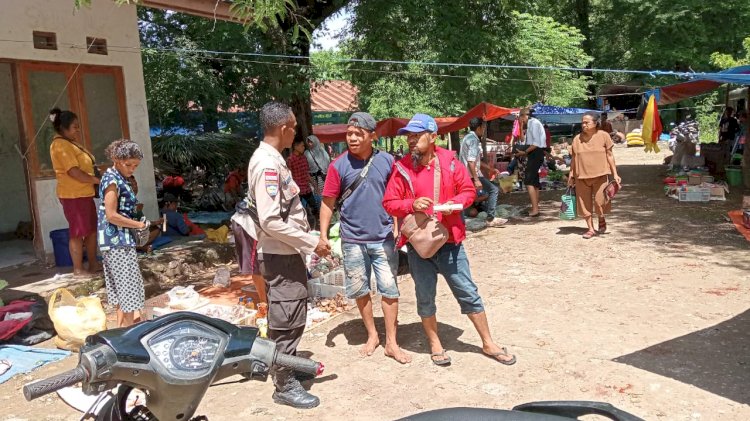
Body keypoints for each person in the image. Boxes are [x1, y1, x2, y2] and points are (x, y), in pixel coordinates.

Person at [383, 113, 516, 367]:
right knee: (425, 296)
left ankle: (488, 343)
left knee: (467, 292)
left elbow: (467, 191)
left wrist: (455, 205)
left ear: (433, 137)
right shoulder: (402, 168)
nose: (411, 140)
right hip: (419, 247)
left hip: (450, 241)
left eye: (416, 135)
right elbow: (389, 202)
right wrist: (412, 204)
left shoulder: (451, 162)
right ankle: (435, 344)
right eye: (409, 136)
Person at [248, 102, 330, 409]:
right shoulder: (268, 164)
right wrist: (311, 242)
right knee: (286, 317)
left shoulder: (274, 160)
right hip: (280, 253)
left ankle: (289, 366)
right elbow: (270, 220)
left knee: (293, 313)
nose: (295, 131)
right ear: (284, 128)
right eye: (294, 127)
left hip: (286, 251)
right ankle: (284, 384)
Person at [319, 112, 411, 364]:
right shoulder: (337, 165)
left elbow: (397, 196)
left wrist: (398, 226)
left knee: (389, 289)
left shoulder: (387, 161)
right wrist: (323, 235)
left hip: (383, 238)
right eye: (349, 134)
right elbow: (327, 203)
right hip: (352, 240)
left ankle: (392, 341)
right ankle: (372, 335)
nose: (352, 138)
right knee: (360, 289)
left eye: (358, 134)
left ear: (372, 136)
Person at [97, 139, 147, 327]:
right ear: (116, 159)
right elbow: (111, 215)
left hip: (120, 241)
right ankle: (128, 335)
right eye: (129, 165)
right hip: (116, 242)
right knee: (129, 293)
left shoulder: (119, 178)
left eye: (135, 166)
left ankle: (121, 331)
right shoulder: (111, 180)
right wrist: (138, 225)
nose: (132, 169)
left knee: (123, 293)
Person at [49, 108, 101, 277]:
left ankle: (93, 263)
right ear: (63, 128)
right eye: (75, 127)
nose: (78, 130)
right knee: (78, 232)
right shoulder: (59, 145)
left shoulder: (71, 143)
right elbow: (74, 172)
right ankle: (78, 269)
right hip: (73, 195)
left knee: (92, 230)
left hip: (84, 194)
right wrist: (96, 180)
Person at [568, 112, 622, 239]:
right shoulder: (577, 139)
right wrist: (571, 175)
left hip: (601, 175)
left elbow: (609, 155)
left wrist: (615, 173)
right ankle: (590, 228)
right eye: (582, 122)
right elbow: (574, 159)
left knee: (600, 202)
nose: (584, 125)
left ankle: (601, 217)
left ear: (595, 123)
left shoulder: (603, 136)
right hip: (581, 176)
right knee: (584, 204)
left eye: (587, 122)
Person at [459, 117, 506, 226]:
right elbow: (471, 162)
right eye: (484, 127)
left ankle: (461, 218)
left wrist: (491, 169)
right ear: (479, 127)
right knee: (493, 189)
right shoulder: (473, 140)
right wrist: (476, 179)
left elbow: (476, 161)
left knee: (468, 196)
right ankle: (490, 218)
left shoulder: (467, 138)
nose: (484, 129)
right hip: (471, 174)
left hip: (467, 174)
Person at [516, 108, 547, 217]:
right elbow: (523, 140)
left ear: (523, 116)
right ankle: (535, 207)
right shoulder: (529, 124)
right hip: (533, 152)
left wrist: (524, 152)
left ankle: (535, 209)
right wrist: (520, 126)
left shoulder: (534, 123)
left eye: (520, 117)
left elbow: (535, 144)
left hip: (536, 152)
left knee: (528, 181)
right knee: (534, 182)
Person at [287, 138, 320, 226]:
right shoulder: (290, 159)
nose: (303, 148)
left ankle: (316, 226)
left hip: (306, 188)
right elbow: (289, 176)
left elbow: (306, 173)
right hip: (297, 190)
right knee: (300, 210)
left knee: (314, 208)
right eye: (301, 146)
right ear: (295, 147)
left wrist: (314, 185)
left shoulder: (303, 158)